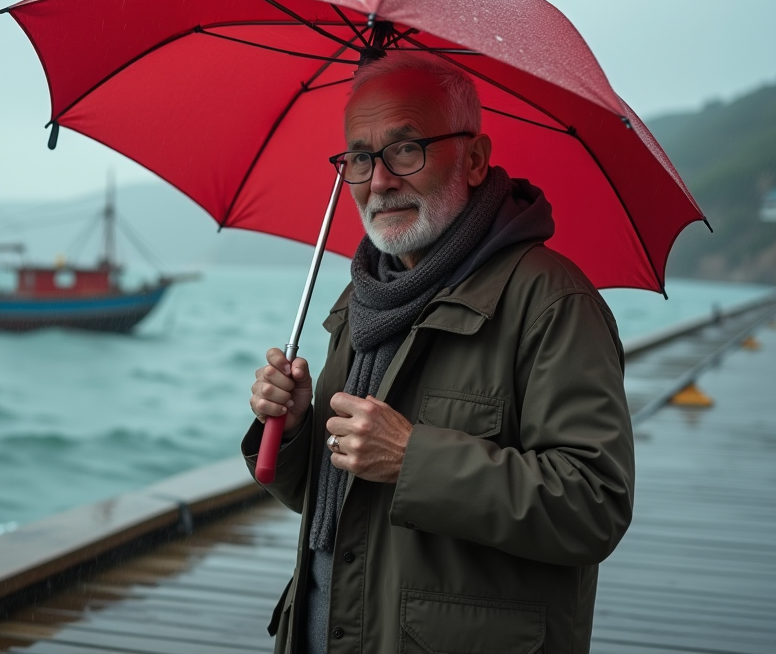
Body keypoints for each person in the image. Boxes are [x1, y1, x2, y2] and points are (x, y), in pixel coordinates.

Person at [243, 52, 635, 654]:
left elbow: (593, 505)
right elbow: (333, 505)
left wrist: (413, 459)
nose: (379, 180)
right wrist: (296, 429)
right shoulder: (364, 299)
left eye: (406, 149)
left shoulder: (552, 302)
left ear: (475, 159)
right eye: (360, 157)